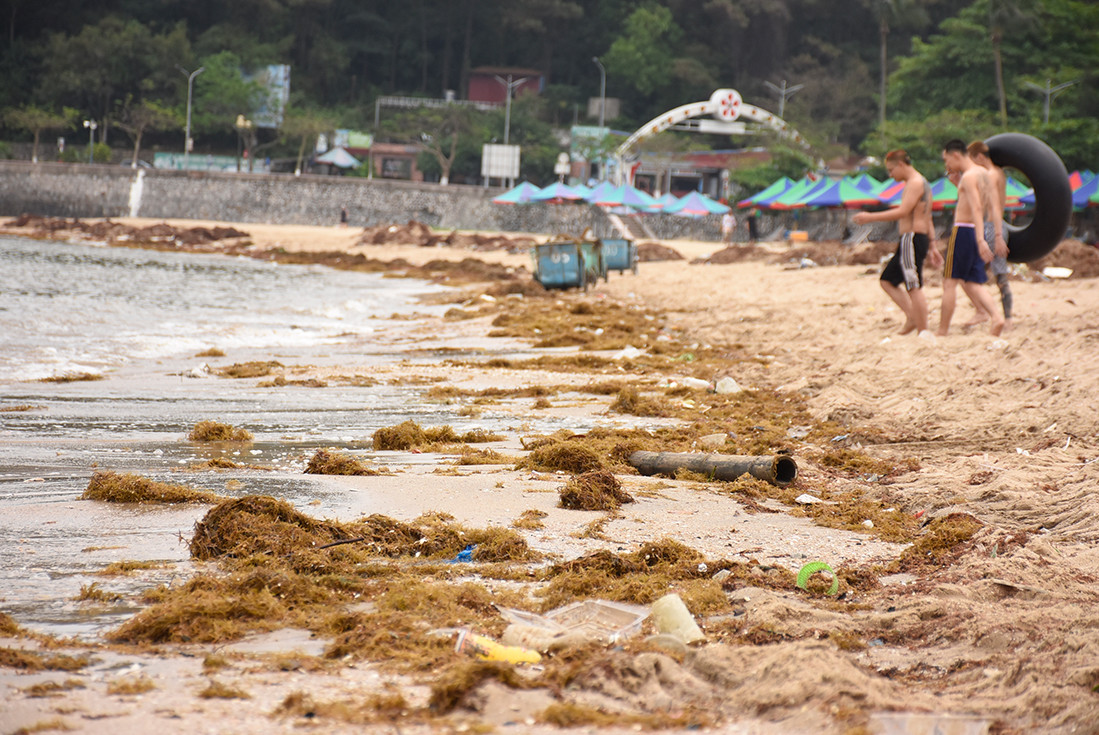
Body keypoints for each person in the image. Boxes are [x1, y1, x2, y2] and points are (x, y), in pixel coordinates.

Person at [852, 149, 941, 336]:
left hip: (912, 238)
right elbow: (928, 217)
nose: (891, 175)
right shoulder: (922, 182)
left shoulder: (915, 183)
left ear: (901, 164)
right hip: (916, 238)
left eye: (891, 170)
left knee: (913, 285)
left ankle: (923, 329)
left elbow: (903, 211)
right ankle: (912, 317)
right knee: (887, 280)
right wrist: (932, 245)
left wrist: (870, 217)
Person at [937, 139, 1004, 336]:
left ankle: (942, 330)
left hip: (964, 230)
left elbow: (975, 207)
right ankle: (996, 317)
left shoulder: (968, 176)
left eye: (947, 159)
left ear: (955, 155)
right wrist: (996, 235)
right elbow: (992, 207)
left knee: (949, 282)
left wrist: (981, 241)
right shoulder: (984, 173)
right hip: (976, 229)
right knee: (972, 282)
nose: (947, 164)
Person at [966, 140, 1013, 330]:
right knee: (999, 275)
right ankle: (1005, 317)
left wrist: (998, 236)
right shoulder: (999, 172)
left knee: (970, 272)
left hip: (992, 227)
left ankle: (985, 312)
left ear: (979, 157)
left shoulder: (989, 175)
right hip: (997, 226)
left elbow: (993, 206)